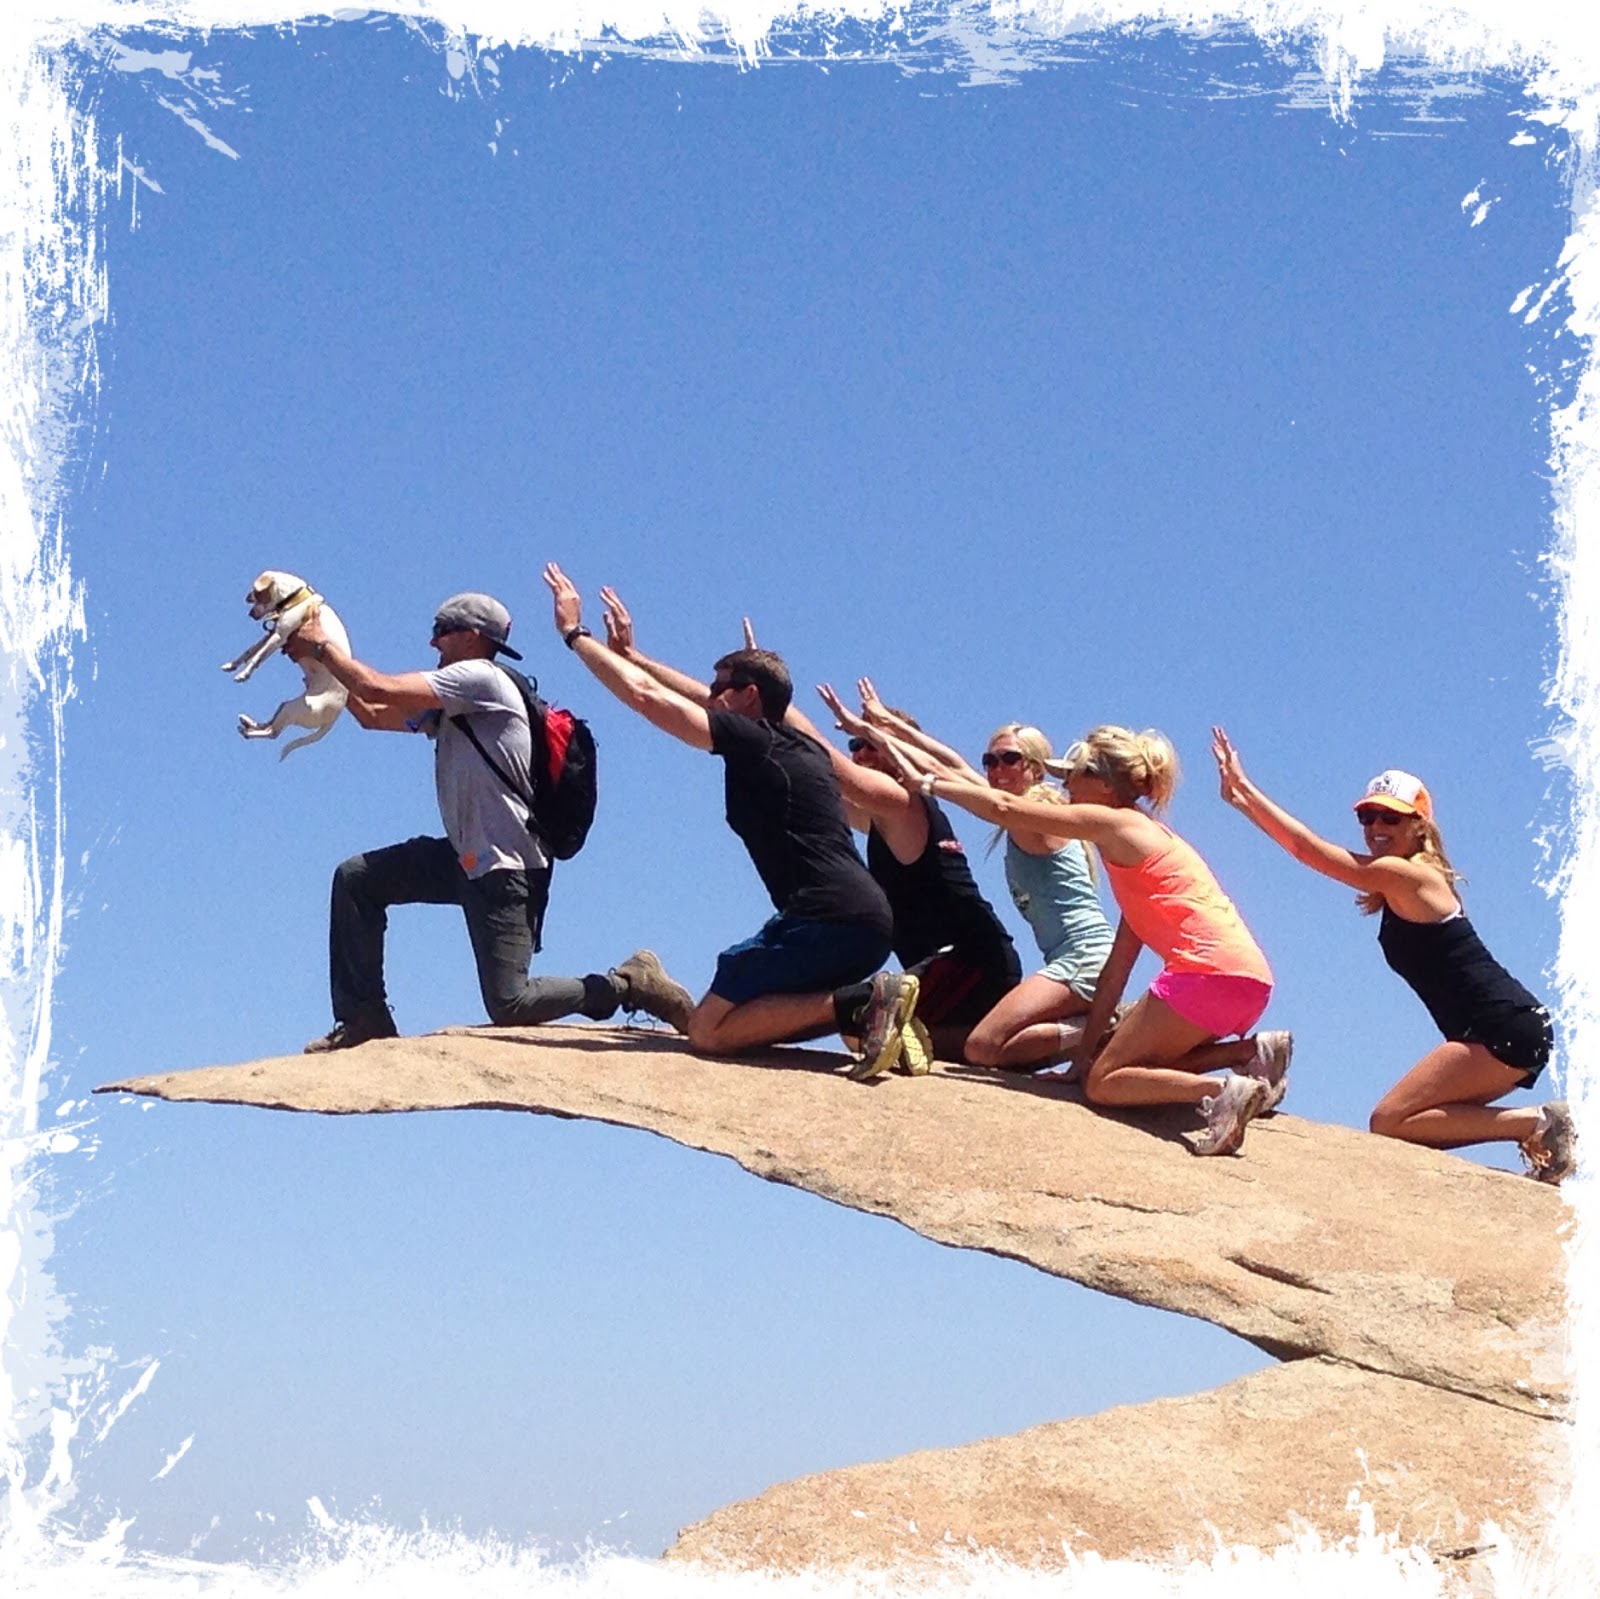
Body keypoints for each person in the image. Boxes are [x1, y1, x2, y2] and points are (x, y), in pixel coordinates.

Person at [284, 591, 692, 1051]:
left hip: (506, 866)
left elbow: (378, 688)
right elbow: (372, 715)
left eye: (442, 632)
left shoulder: (480, 679)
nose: (433, 642)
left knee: (509, 1003)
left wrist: (322, 647)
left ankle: (627, 984)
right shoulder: (457, 699)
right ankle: (364, 1020)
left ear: (473, 638)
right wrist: (317, 671)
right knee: (357, 879)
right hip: (465, 856)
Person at [543, 565, 896, 1060]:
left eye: (720, 687)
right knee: (743, 1017)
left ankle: (863, 1001)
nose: (709, 695)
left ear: (750, 696)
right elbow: (684, 694)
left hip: (826, 921)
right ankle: (868, 1011)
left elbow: (649, 701)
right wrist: (631, 656)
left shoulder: (753, 741)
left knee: (709, 1031)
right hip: (861, 923)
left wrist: (574, 635)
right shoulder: (800, 745)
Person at [896, 724, 1289, 1156]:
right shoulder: (1144, 855)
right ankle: (1251, 1054)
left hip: (1204, 976)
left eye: (1074, 775)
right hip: (1248, 980)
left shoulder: (1114, 822)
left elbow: (1006, 807)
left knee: (1104, 1085)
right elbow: (1116, 970)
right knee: (1129, 1071)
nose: (1064, 784)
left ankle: (1222, 1092)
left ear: (1103, 785)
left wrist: (929, 784)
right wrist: (1083, 1056)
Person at [1210, 732, 1573, 1181]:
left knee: (1389, 1121)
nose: (1376, 827)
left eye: (1391, 818)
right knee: (1403, 1123)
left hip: (1503, 1026)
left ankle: (1541, 1123)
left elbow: (1308, 851)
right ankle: (1541, 1129)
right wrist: (1240, 801)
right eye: (1368, 816)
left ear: (1419, 825)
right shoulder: (1408, 881)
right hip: (1509, 1026)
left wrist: (1246, 793)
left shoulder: (1406, 876)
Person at [851, 686, 1115, 1072]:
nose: (996, 770)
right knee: (961, 1043)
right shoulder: (1023, 819)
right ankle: (1092, 1030)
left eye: (1010, 759)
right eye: (990, 761)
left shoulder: (1036, 815)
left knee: (985, 1048)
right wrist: (893, 729)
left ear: (1037, 768)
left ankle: (1107, 1028)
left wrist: (889, 734)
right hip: (1072, 960)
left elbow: (947, 773)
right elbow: (955, 766)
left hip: (1084, 959)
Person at [812, 684, 1023, 1072]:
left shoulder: (902, 804)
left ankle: (1041, 1040)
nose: (860, 753)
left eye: (871, 743)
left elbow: (829, 771)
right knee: (867, 1026)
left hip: (971, 965)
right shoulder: (880, 817)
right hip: (959, 968)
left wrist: (774, 713)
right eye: (855, 745)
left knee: (861, 1016)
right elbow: (819, 789)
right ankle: (1013, 1041)